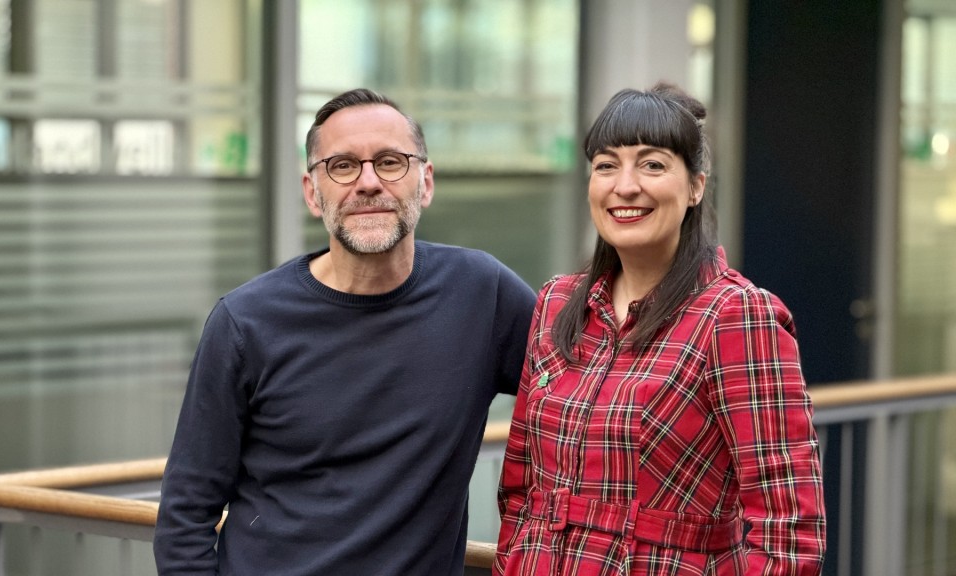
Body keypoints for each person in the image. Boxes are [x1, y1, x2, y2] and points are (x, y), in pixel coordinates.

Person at [154, 88, 537, 576]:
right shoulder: (245, 322)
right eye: (342, 166)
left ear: (426, 182)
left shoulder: (482, 294)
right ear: (313, 192)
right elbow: (186, 512)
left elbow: (587, 383)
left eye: (391, 161)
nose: (369, 183)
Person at [493, 83, 826, 575]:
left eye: (652, 165)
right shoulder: (557, 302)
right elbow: (520, 487)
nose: (625, 186)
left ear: (696, 186)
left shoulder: (736, 315)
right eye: (607, 165)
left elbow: (788, 528)